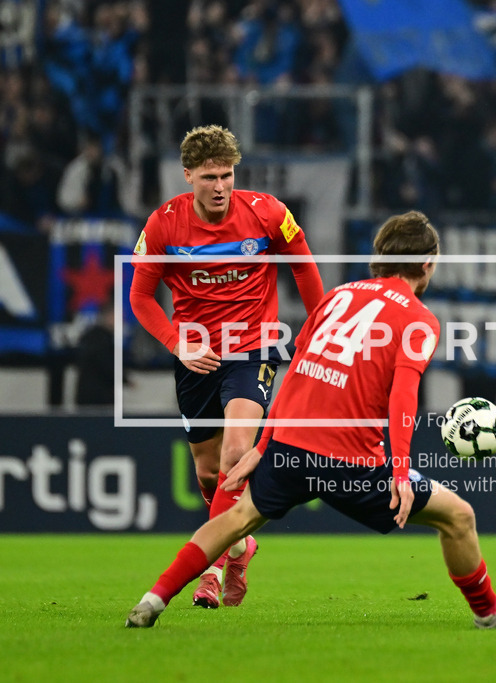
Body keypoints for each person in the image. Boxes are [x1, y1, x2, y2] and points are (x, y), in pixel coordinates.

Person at [126, 211, 496, 630]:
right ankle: (490, 613)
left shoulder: (338, 296)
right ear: (427, 264)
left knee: (235, 520)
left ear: (379, 258)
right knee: (458, 516)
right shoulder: (418, 318)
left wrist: (263, 447)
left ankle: (153, 599)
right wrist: (401, 472)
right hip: (352, 463)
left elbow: (294, 373)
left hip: (291, 448)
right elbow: (403, 398)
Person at [129, 124, 324, 609]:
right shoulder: (163, 225)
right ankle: (239, 548)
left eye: (228, 175)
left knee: (237, 453)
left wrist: (316, 328)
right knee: (210, 473)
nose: (220, 186)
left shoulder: (268, 214)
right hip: (195, 354)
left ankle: (210, 573)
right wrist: (177, 345)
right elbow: (140, 297)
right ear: (188, 174)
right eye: (210, 176)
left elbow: (303, 265)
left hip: (252, 347)